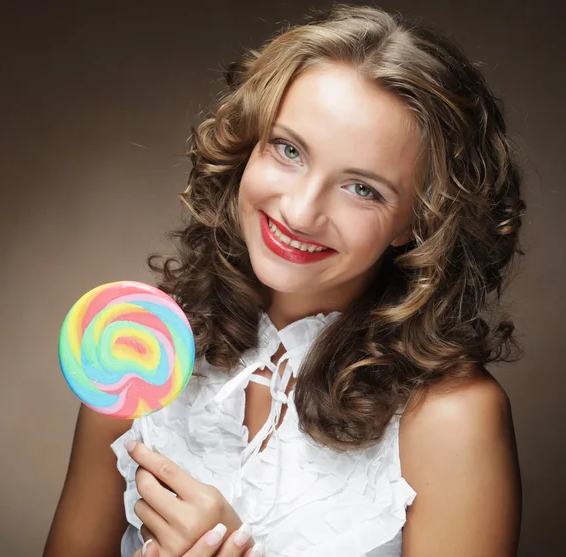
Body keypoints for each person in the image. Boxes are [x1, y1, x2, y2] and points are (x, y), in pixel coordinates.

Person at [43, 4, 525, 557]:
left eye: (362, 188)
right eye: (289, 149)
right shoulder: (136, 351)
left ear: (419, 219)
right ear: (250, 143)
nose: (300, 212)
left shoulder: (453, 416)